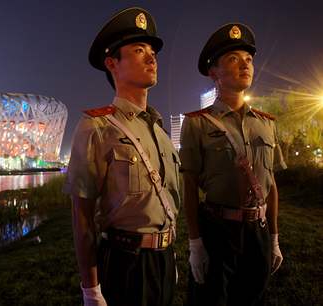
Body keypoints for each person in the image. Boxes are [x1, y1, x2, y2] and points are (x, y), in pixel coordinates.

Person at [63, 7, 180, 306]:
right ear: (112, 63)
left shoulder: (160, 131)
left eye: (152, 50)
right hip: (125, 266)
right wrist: (91, 289)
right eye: (139, 50)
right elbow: (83, 216)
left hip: (164, 261)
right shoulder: (97, 127)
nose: (151, 57)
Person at [180, 23, 287, 306]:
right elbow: (189, 185)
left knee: (252, 298)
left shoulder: (266, 124)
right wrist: (195, 243)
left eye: (249, 59)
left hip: (258, 230)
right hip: (217, 230)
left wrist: (274, 237)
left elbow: (271, 184)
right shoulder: (196, 123)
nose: (245, 65)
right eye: (233, 59)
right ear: (214, 72)